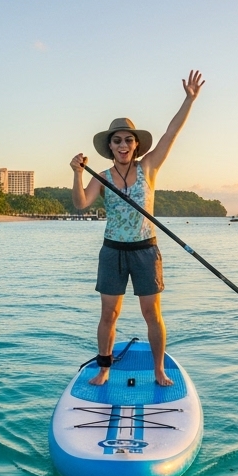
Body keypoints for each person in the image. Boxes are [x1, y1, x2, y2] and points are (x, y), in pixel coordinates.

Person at [70, 70, 204, 387]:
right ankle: (104, 368)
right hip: (113, 251)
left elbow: (171, 133)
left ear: (136, 144)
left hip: (145, 250)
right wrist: (76, 173)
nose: (123, 144)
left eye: (128, 140)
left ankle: (159, 371)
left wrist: (189, 99)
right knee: (109, 315)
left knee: (151, 314)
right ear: (110, 146)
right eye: (117, 140)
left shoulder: (148, 167)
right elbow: (80, 204)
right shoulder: (100, 176)